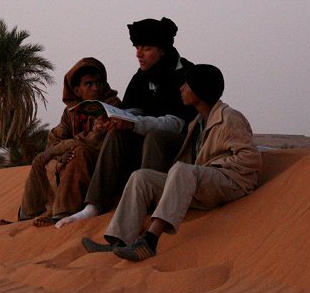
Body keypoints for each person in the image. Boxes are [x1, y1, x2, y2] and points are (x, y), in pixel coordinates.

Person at [80, 64, 261, 261]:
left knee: (183, 170)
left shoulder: (229, 118)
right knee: (141, 177)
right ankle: (118, 242)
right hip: (202, 184)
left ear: (200, 89)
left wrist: (213, 167)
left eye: (187, 84)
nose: (181, 88)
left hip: (231, 183)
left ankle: (149, 241)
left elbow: (251, 159)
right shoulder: (197, 122)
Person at [55, 17, 197, 228]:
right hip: (147, 140)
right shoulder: (141, 76)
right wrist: (115, 119)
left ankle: (147, 203)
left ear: (163, 50)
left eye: (146, 48)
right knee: (117, 133)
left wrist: (133, 124)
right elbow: (133, 110)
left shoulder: (185, 74)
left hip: (182, 145)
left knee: (153, 136)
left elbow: (175, 124)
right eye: (137, 47)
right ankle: (94, 205)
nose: (138, 54)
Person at [0, 57, 120, 226]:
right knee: (42, 160)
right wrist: (61, 154)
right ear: (77, 90)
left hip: (104, 164)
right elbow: (55, 139)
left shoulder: (111, 106)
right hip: (73, 156)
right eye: (89, 84)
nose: (95, 88)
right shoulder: (71, 112)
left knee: (78, 154)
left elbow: (100, 141)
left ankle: (63, 212)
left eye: (98, 83)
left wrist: (74, 144)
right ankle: (29, 214)